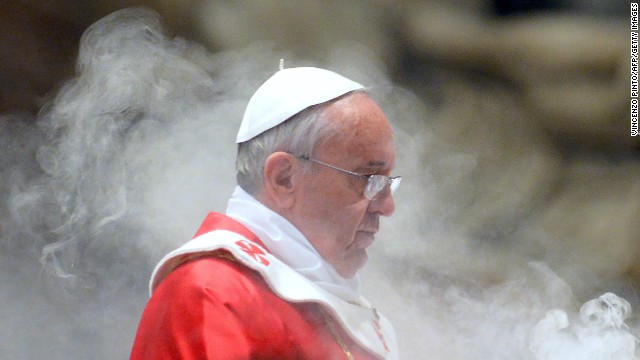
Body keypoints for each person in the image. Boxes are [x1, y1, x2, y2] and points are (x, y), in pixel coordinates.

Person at [130, 66, 401, 360]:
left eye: (387, 183)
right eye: (367, 179)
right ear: (284, 178)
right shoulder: (214, 291)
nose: (387, 207)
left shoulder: (347, 309)